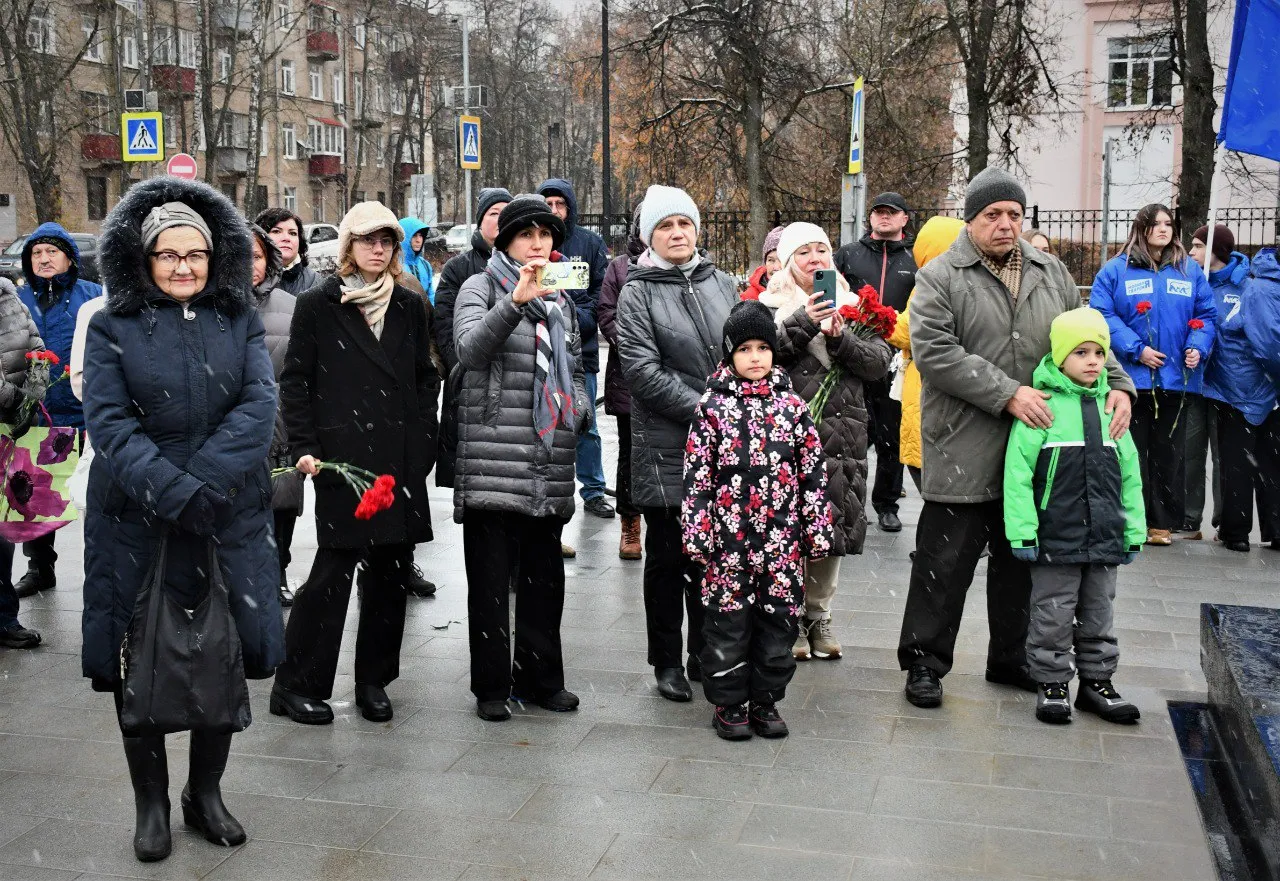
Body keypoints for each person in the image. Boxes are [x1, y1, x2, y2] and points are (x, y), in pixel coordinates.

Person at [85, 178, 284, 862]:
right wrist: (173, 488)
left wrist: (204, 483)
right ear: (143, 260)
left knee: (218, 650)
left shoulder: (238, 319)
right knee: (136, 654)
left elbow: (260, 405)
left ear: (215, 256)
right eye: (167, 255)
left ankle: (206, 792)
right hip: (136, 518)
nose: (182, 267)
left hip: (226, 512)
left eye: (194, 254)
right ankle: (150, 805)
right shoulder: (111, 326)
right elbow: (109, 422)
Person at [897, 166, 1135, 710]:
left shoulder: (1051, 271)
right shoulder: (941, 276)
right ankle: (924, 664)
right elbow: (935, 352)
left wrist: (1119, 384)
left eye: (1014, 215)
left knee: (1021, 559)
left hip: (1038, 447)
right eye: (993, 216)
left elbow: (1086, 336)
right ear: (971, 220)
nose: (1005, 225)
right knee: (944, 563)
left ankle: (1013, 658)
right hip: (963, 444)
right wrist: (1007, 393)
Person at [270, 201, 439, 727]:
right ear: (348, 246)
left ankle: (373, 681)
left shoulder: (410, 306)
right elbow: (295, 381)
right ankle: (296, 683)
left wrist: (424, 437)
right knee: (333, 570)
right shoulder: (320, 304)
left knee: (390, 571)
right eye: (367, 240)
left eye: (386, 240)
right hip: (342, 460)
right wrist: (305, 446)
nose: (378, 248)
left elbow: (423, 375)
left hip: (398, 457)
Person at [453, 194, 588, 722]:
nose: (539, 243)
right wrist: (512, 304)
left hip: (547, 455)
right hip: (493, 454)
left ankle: (541, 679)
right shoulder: (480, 286)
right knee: (489, 582)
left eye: (547, 234)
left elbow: (573, 363)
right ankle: (491, 686)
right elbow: (468, 352)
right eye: (527, 234)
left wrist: (572, 410)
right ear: (505, 239)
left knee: (543, 578)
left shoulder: (562, 299)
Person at [682, 301, 834, 740]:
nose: (755, 357)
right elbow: (697, 478)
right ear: (729, 353)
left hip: (781, 546)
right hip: (727, 546)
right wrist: (698, 532)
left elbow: (812, 474)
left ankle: (766, 700)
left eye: (763, 348)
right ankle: (729, 702)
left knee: (778, 624)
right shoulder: (711, 408)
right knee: (728, 625)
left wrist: (815, 527)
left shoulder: (793, 408)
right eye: (745, 348)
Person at [617, 184, 739, 702]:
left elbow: (746, 348)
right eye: (665, 226)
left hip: (722, 448)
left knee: (712, 556)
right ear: (650, 236)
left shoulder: (723, 283)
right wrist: (708, 407)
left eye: (683, 224)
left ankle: (704, 653)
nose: (676, 233)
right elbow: (642, 372)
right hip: (668, 447)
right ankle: (666, 660)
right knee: (668, 562)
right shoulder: (637, 291)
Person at [1004, 308, 1145, 725]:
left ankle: (1098, 682)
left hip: (1105, 535)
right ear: (1060, 356)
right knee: (1052, 612)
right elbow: (1018, 474)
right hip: (1056, 534)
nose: (1092, 361)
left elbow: (1130, 475)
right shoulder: (1043, 406)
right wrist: (1023, 531)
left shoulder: (1111, 407)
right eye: (1081, 352)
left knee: (1100, 612)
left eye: (1099, 353)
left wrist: (1133, 529)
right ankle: (1052, 683)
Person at [762, 222, 892, 661]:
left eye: (821, 250)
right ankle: (790, 614)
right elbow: (761, 355)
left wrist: (840, 337)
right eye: (804, 252)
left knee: (830, 526)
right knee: (790, 527)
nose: (815, 258)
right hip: (787, 436)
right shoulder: (768, 305)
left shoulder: (856, 306)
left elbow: (878, 364)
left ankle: (819, 614)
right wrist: (805, 320)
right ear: (787, 261)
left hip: (843, 435)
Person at [1090, 203, 1216, 546]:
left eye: (1168, 223)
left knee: (1168, 454)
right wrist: (1136, 349)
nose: (1164, 229)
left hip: (1175, 381)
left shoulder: (1188, 271)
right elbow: (1103, 315)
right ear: (1141, 228)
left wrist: (1196, 346)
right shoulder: (1116, 271)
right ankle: (1128, 518)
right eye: (1156, 224)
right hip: (1131, 381)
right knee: (1129, 451)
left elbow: (1206, 314)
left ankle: (1161, 524)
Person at [14, 222, 103, 598]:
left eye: (52, 252)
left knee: (94, 498)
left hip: (87, 414)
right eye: (36, 253)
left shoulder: (93, 296)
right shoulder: (18, 300)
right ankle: (40, 568)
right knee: (35, 500)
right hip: (39, 415)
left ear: (69, 257)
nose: (44, 259)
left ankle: (100, 570)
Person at [834, 192, 917, 534]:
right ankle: (845, 500)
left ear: (903, 220)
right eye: (878, 212)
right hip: (854, 356)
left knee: (892, 437)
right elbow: (831, 290)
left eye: (891, 213)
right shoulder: (849, 254)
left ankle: (886, 504)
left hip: (896, 362)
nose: (884, 217)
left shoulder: (915, 260)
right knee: (851, 434)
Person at [537, 178, 612, 520]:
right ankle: (547, 491)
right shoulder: (534, 241)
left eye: (560, 204)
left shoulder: (590, 243)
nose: (554, 211)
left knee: (586, 423)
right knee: (544, 424)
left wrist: (578, 317)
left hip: (582, 352)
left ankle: (593, 490)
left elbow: (603, 292)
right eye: (547, 203)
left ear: (570, 207)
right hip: (541, 351)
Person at [1203, 247, 1280, 552]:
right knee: (1245, 461)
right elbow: (1268, 343)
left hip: (1255, 383)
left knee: (1258, 460)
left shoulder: (1260, 285)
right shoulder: (1262, 289)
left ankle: (1250, 531)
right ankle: (1237, 533)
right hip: (1247, 385)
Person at [434, 187, 510, 487]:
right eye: (494, 213)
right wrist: (463, 368)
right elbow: (444, 323)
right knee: (474, 472)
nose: (501, 219)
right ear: (480, 223)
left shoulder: (529, 268)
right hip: (469, 380)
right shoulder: (458, 268)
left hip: (512, 386)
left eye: (507, 212)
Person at [886, 217, 966, 491]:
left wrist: (876, 318)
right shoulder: (962, 280)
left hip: (925, 383)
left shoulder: (932, 283)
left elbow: (909, 330)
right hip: (940, 383)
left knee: (927, 468)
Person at [1183, 225, 1249, 539]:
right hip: (1195, 381)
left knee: (1225, 454)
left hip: (1227, 384)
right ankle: (1188, 518)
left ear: (1216, 251)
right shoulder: (1193, 281)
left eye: (1197, 246)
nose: (1192, 252)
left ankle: (1226, 519)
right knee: (1190, 450)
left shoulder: (1243, 286)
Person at [248, 225, 300, 607]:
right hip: (229, 431)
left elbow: (302, 373)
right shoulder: (207, 307)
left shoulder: (289, 306)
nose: (248, 264)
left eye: (256, 255)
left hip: (281, 428)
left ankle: (278, 571)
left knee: (281, 505)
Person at [598, 203, 647, 561]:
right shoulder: (619, 268)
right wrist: (635, 348)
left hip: (676, 378)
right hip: (629, 376)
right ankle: (630, 523)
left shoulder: (689, 267)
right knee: (630, 452)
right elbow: (607, 313)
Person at [0, 276, 45, 649]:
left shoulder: (11, 302)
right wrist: (12, 396)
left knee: (3, 533)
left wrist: (29, 402)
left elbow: (38, 354)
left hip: (7, 433)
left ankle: (3, 619)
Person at [255, 207, 321, 295]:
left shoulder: (314, 281)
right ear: (260, 237)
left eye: (292, 233)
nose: (286, 238)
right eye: (276, 231)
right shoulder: (247, 277)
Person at [399, 216, 436, 302]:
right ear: (404, 238)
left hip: (424, 314)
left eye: (421, 236)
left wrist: (433, 313)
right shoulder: (393, 265)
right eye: (414, 236)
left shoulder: (425, 265)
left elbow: (430, 295)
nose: (418, 240)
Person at [742, 226, 783, 300]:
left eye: (782, 260)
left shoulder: (804, 292)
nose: (776, 267)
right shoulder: (750, 297)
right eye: (771, 260)